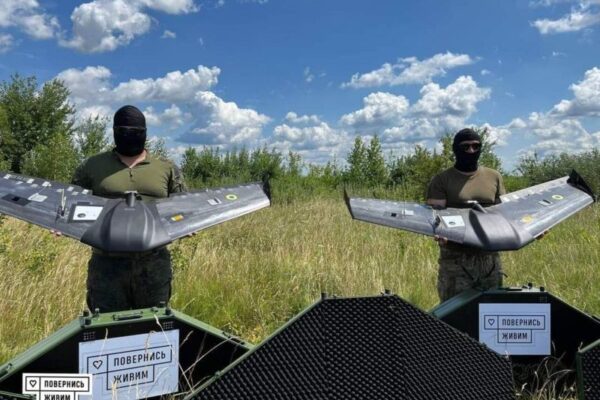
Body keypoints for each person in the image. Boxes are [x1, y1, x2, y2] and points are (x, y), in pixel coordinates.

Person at [72, 105, 186, 313]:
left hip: (153, 262)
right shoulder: (92, 166)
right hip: (107, 263)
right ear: (115, 132)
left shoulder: (166, 168)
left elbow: (183, 204)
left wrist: (186, 224)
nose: (129, 136)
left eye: (135, 132)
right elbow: (72, 202)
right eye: (123, 131)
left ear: (144, 133)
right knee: (106, 324)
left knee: (154, 323)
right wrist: (59, 221)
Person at [426, 128, 506, 302]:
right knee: (454, 312)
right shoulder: (442, 180)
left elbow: (503, 212)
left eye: (476, 146)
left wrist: (530, 229)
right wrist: (441, 234)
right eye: (466, 147)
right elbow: (434, 217)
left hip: (490, 259)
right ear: (456, 149)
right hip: (456, 259)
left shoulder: (494, 176)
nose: (471, 151)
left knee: (491, 311)